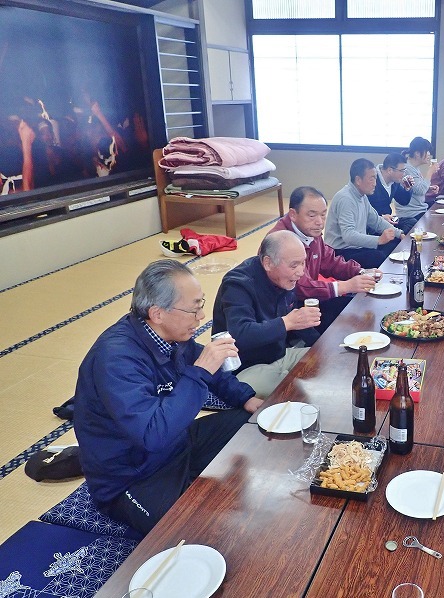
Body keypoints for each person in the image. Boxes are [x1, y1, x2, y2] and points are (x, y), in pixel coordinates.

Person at [73, 260, 264, 534]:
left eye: (201, 305)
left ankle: (191, 480)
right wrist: (199, 373)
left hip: (176, 445)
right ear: (157, 313)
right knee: (186, 529)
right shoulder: (116, 359)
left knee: (251, 423)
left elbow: (203, 362)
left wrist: (246, 398)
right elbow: (152, 435)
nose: (200, 317)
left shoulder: (171, 334)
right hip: (132, 474)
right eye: (193, 309)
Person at [212, 230, 321, 398]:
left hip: (281, 354)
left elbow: (296, 320)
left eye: (303, 263)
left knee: (328, 363)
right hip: (247, 367)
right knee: (296, 390)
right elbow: (240, 334)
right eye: (294, 265)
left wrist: (323, 344)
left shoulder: (285, 278)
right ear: (268, 263)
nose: (300, 272)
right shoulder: (237, 284)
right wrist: (287, 322)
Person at [270, 186, 380, 332]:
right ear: (293, 214)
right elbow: (300, 287)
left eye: (323, 215)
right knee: (349, 317)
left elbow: (330, 262)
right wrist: (345, 286)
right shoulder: (281, 241)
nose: (319, 222)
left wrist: (361, 272)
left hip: (309, 301)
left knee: (359, 309)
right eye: (312, 215)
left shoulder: (311, 233)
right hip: (285, 311)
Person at [325, 158, 404, 268]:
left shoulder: (362, 196)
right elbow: (348, 235)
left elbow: (376, 221)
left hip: (356, 247)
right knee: (378, 257)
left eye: (375, 178)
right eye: (371, 179)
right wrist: (379, 240)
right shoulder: (345, 199)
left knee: (395, 244)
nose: (375, 183)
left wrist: (399, 234)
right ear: (358, 180)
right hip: (340, 252)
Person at [394, 136, 439, 232]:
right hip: (411, 213)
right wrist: (430, 172)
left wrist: (429, 187)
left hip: (418, 210)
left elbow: (415, 187)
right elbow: (420, 190)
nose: (429, 155)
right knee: (438, 225)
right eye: (427, 151)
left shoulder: (414, 167)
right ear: (417, 153)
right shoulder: (407, 168)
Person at [367, 153, 411, 222]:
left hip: (388, 220)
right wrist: (381, 217)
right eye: (402, 171)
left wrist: (407, 188)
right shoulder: (373, 180)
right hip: (375, 223)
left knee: (411, 222)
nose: (404, 174)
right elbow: (365, 211)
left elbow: (404, 201)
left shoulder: (394, 182)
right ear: (390, 170)